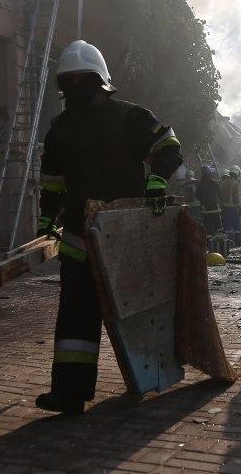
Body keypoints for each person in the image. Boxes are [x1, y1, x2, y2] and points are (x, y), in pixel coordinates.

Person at [35, 40, 182, 415]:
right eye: (70, 81)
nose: (74, 86)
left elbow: (169, 147)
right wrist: (46, 215)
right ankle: (70, 393)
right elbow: (51, 180)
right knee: (77, 313)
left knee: (134, 308)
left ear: (96, 80)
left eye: (79, 79)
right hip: (86, 234)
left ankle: (151, 373)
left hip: (123, 233)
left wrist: (158, 180)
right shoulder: (63, 128)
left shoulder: (129, 117)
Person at [197, 164, 224, 243]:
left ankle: (209, 244)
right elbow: (220, 195)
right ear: (210, 173)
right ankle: (220, 243)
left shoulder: (200, 184)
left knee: (208, 228)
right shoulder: (215, 183)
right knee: (218, 227)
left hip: (206, 210)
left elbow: (197, 196)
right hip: (216, 209)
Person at [219, 166, 241, 246]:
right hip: (233, 208)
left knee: (227, 226)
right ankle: (239, 243)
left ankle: (228, 243)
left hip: (224, 208)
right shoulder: (235, 183)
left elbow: (219, 196)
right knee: (236, 226)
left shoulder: (222, 183)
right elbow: (236, 198)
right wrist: (240, 208)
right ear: (237, 173)